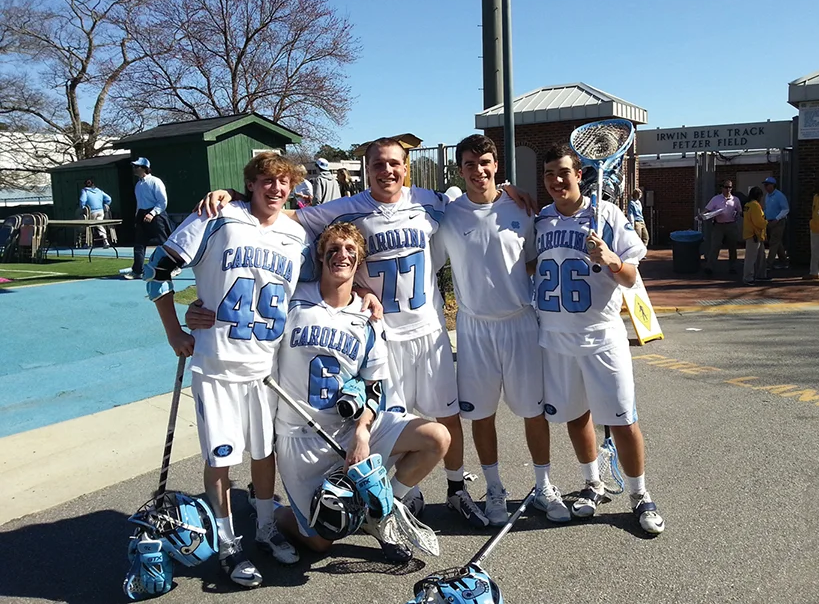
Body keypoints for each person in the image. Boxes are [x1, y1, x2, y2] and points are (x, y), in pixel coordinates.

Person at [196, 138, 535, 529]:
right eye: (378, 164)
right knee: (389, 421)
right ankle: (396, 494)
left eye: (394, 163)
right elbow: (284, 212)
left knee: (447, 415)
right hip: (383, 335)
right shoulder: (348, 207)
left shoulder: (432, 201)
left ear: (406, 167)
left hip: (428, 330)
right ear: (367, 167)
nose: (386, 171)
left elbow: (480, 198)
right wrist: (236, 197)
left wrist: (510, 189)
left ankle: (456, 488)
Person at [145, 151, 311, 587]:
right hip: (217, 364)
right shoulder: (218, 215)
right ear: (251, 184)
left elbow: (315, 285)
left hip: (265, 366)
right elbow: (156, 270)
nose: (276, 189)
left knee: (262, 453)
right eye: (267, 181)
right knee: (221, 457)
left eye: (284, 183)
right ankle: (227, 542)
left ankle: (265, 528)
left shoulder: (296, 235)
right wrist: (175, 330)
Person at [273, 222, 450, 562]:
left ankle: (380, 512)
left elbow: (373, 384)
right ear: (320, 256)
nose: (342, 255)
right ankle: (276, 513)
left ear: (358, 263)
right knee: (322, 543)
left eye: (350, 251)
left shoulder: (368, 317)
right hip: (300, 437)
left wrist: (362, 432)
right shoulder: (294, 300)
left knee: (436, 437)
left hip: (347, 428)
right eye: (334, 249)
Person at [432, 134, 568, 524]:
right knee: (481, 415)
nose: (479, 171)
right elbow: (430, 266)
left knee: (533, 412)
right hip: (474, 330)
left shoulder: (522, 209)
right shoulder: (449, 216)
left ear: (497, 165)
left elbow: (532, 262)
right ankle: (494, 489)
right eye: (470, 164)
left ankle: (543, 485)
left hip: (521, 324)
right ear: (461, 169)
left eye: (485, 162)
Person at [534, 143, 664, 535]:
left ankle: (640, 495)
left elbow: (630, 277)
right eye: (549, 174)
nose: (557, 181)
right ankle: (592, 483)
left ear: (579, 174)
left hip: (600, 336)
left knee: (623, 419)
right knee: (576, 417)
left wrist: (611, 260)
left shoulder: (606, 214)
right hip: (555, 338)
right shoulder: (541, 219)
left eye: (563, 172)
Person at [125, 158, 172, 280]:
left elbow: (162, 201)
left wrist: (152, 213)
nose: (134, 169)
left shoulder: (155, 181)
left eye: (137, 166)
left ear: (144, 168)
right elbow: (139, 203)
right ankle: (137, 271)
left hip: (157, 215)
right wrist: (137, 217)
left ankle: (173, 267)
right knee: (139, 244)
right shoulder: (138, 185)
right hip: (142, 214)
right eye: (134, 166)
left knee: (164, 243)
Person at [703, 180, 742, 276]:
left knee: (732, 247)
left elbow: (740, 211)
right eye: (726, 187)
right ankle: (710, 267)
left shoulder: (735, 200)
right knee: (715, 246)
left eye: (730, 187)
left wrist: (740, 213)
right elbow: (707, 209)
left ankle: (732, 267)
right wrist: (702, 214)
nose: (728, 189)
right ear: (722, 188)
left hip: (731, 225)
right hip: (718, 225)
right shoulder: (716, 199)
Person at [742, 186, 770, 286]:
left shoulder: (747, 205)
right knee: (751, 258)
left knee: (760, 257)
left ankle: (761, 275)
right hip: (754, 234)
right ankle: (748, 277)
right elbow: (758, 222)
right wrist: (766, 222)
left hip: (752, 234)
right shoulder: (755, 206)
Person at [762, 177, 790, 269]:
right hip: (769, 221)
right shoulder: (767, 196)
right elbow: (767, 209)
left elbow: (786, 209)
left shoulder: (779, 196)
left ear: (773, 185)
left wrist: (777, 219)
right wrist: (764, 216)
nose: (765, 187)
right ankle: (784, 261)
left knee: (773, 242)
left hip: (778, 222)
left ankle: (769, 264)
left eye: (767, 185)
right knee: (777, 242)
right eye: (765, 185)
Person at [78, 178, 112, 247]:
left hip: (91, 211)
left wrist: (82, 207)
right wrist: (105, 204)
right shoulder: (99, 191)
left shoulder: (85, 191)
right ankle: (105, 241)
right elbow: (109, 199)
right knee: (99, 224)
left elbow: (82, 200)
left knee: (88, 226)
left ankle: (88, 243)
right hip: (100, 211)